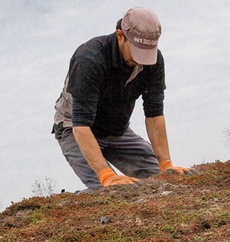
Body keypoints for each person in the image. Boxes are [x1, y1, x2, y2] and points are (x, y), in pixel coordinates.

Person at [52, 7, 196, 192]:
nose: (141, 60)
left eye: (147, 51)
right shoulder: (89, 59)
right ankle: (70, 206)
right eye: (137, 50)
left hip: (117, 130)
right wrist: (106, 175)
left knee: (162, 181)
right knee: (110, 189)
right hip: (75, 128)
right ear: (120, 35)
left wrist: (166, 164)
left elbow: (154, 114)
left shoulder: (153, 62)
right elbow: (81, 124)